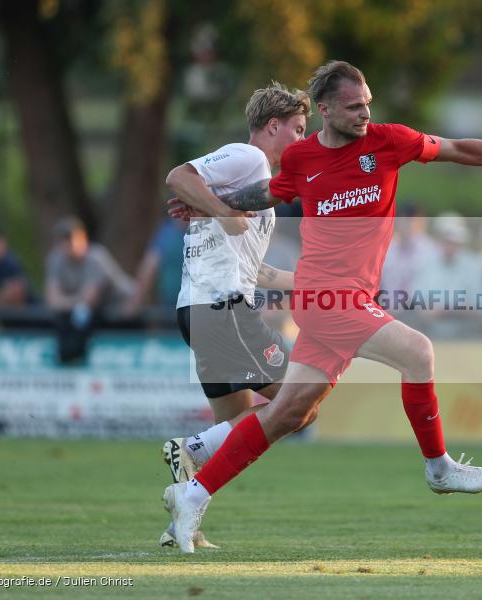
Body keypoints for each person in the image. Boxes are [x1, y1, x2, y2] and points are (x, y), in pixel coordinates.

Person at [162, 60, 482, 553]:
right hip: (325, 296)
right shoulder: (300, 158)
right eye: (353, 106)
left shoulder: (389, 141)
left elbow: (459, 148)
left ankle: (191, 494)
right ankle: (440, 467)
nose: (365, 112)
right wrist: (209, 201)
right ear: (324, 110)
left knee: (289, 413)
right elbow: (264, 192)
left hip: (351, 298)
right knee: (418, 352)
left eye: (368, 102)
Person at [161, 81, 310, 548]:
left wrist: (313, 282)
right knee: (297, 404)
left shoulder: (253, 185)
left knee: (241, 431)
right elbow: (177, 176)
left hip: (203, 309)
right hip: (220, 308)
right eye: (299, 129)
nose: (303, 141)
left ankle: (181, 521)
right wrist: (222, 211)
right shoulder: (250, 159)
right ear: (272, 126)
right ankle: (189, 450)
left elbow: (255, 269)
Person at [45, 217, 135, 362]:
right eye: (64, 239)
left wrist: (66, 301)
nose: (68, 244)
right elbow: (53, 300)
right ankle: (68, 356)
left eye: (71, 238)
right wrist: (75, 300)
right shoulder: (56, 259)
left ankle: (75, 355)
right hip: (94, 312)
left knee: (81, 316)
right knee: (69, 320)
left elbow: (89, 299)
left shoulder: (96, 258)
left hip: (123, 310)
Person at [413, 212, 482, 338]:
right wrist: (428, 312)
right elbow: (416, 299)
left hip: (465, 328)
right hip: (430, 328)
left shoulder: (474, 265)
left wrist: (448, 310)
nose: (450, 244)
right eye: (446, 239)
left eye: (454, 240)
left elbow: (479, 304)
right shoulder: (426, 264)